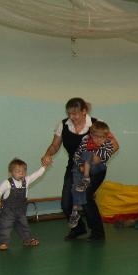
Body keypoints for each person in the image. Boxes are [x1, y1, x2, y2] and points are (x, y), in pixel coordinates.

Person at [41, 97, 119, 242]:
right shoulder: (63, 125)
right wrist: (47, 154)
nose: (72, 117)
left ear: (84, 111)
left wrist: (100, 157)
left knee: (85, 195)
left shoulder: (96, 123)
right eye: (69, 113)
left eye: (75, 113)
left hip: (95, 169)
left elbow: (115, 145)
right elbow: (55, 145)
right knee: (66, 203)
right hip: (75, 167)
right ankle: (78, 229)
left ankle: (98, 232)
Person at [69, 121, 115, 229]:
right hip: (83, 168)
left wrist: (94, 153)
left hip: (98, 168)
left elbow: (104, 156)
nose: (98, 140)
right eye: (95, 137)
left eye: (101, 137)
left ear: (106, 137)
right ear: (91, 135)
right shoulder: (85, 141)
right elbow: (76, 155)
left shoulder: (108, 144)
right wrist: (81, 165)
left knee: (87, 153)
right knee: (76, 186)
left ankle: (86, 178)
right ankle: (75, 211)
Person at [0, 158, 47, 250]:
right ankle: (3, 242)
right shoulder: (7, 183)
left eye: (24, 171)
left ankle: (27, 240)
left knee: (24, 225)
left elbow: (37, 175)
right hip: (8, 212)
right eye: (18, 171)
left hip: (21, 211)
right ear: (11, 172)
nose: (21, 173)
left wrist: (44, 166)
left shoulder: (26, 181)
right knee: (5, 226)